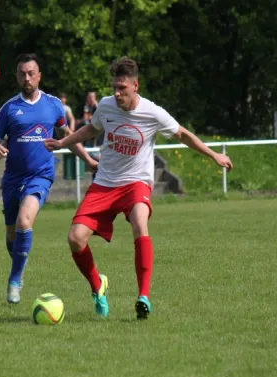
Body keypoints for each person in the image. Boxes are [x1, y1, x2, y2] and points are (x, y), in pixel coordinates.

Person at [44, 56, 233, 320]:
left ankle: (143, 296)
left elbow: (183, 134)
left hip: (136, 182)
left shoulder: (153, 113)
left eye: (122, 88)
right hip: (105, 182)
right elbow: (91, 130)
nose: (117, 93)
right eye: (114, 87)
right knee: (75, 239)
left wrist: (214, 155)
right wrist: (63, 143)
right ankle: (98, 287)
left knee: (140, 223)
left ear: (136, 85)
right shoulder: (107, 106)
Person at [0, 53, 98, 305]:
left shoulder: (53, 105)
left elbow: (66, 136)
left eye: (31, 73)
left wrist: (89, 161)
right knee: (12, 236)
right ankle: (18, 267)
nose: (26, 78)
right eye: (22, 74)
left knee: (24, 221)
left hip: (41, 175)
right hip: (13, 178)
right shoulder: (8, 108)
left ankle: (14, 280)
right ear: (17, 77)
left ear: (39, 75)